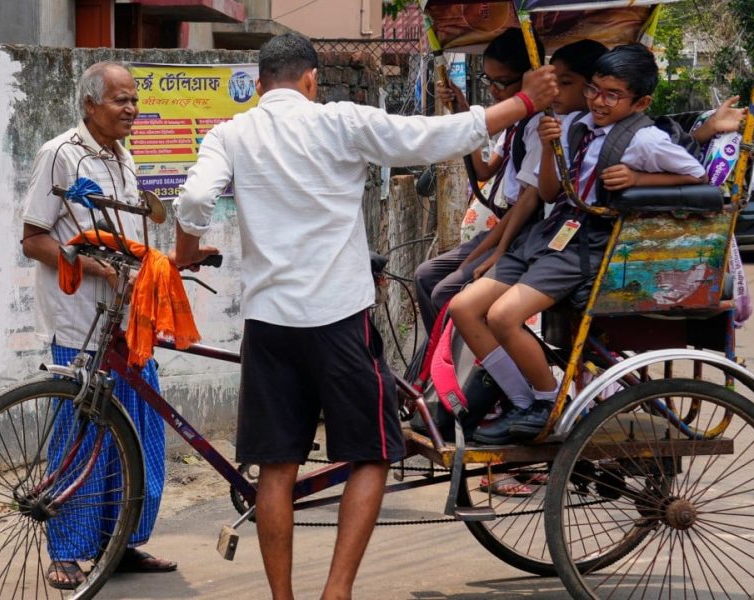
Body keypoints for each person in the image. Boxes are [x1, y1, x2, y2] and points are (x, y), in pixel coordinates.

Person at [173, 33, 557, 600]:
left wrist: (185, 254)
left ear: (258, 86)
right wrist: (525, 102)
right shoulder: (339, 121)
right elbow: (434, 137)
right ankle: (337, 592)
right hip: (337, 319)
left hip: (269, 323)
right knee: (372, 454)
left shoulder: (231, 132)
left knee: (276, 470)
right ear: (311, 81)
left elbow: (194, 201)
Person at [450, 43, 706, 446]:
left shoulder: (645, 139)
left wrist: (640, 181)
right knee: (463, 307)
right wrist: (552, 149)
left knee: (502, 317)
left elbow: (697, 176)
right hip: (552, 232)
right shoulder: (575, 126)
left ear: (640, 102)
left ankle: (547, 401)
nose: (598, 102)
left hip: (586, 243)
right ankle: (523, 402)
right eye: (594, 90)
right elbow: (551, 191)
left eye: (611, 95)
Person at [20, 61, 176, 589]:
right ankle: (65, 552)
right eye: (120, 101)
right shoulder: (60, 154)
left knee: (139, 435)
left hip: (128, 322)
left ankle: (122, 544)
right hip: (82, 323)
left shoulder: (123, 157)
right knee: (81, 439)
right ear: (90, 104)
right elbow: (34, 239)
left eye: (134, 100)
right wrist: (93, 266)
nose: (131, 109)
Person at [414, 29, 545, 333]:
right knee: (424, 275)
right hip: (503, 227)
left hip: (521, 232)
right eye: (489, 81)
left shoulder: (541, 125)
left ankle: (472, 366)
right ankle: (437, 365)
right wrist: (462, 113)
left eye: (502, 82)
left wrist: (493, 251)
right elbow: (485, 170)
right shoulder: (515, 121)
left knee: (446, 290)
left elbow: (527, 201)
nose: (495, 91)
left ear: (529, 77)